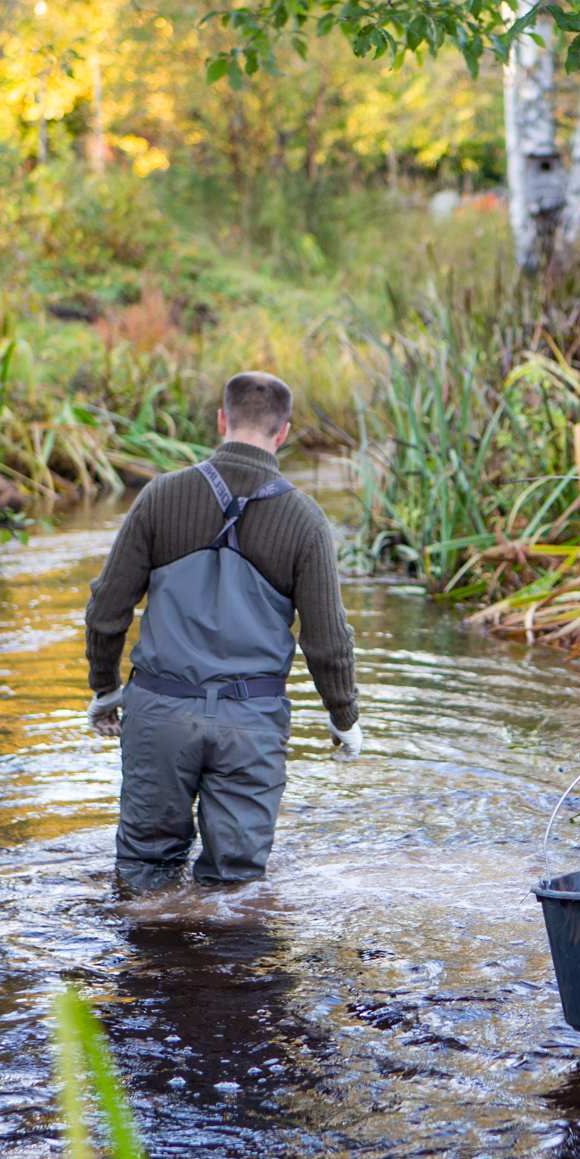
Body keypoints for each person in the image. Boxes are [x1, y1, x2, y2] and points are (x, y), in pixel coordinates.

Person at [83, 371, 361, 892]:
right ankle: (225, 973)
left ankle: (147, 970)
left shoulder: (161, 497)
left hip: (159, 714)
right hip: (251, 723)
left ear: (221, 420)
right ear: (283, 433)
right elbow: (327, 640)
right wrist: (343, 716)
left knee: (144, 877)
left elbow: (105, 610)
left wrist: (105, 689)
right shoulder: (305, 521)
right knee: (235, 889)